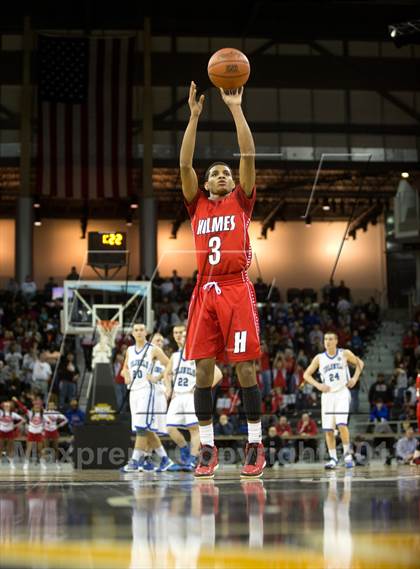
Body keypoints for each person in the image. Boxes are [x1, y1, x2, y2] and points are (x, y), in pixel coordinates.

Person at [180, 80, 264, 479]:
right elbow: (183, 165)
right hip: (205, 292)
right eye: (215, 174)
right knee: (202, 372)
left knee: (245, 371)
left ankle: (254, 443)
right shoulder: (196, 205)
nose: (221, 176)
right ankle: (208, 450)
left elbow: (247, 153)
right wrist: (194, 117)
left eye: (226, 173)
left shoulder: (241, 201)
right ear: (206, 183)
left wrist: (235, 108)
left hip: (235, 289)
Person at [164, 324, 222, 471]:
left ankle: (192, 458)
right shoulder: (175, 356)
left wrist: (201, 388)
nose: (178, 336)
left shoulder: (197, 352)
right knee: (170, 428)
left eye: (182, 333)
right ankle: (185, 453)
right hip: (177, 396)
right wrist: (169, 389)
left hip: (191, 396)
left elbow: (218, 373)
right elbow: (167, 373)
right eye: (175, 333)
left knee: (193, 429)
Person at [303, 331, 364, 469]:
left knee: (341, 424)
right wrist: (318, 385)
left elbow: (360, 363)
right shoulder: (319, 358)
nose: (327, 341)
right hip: (328, 395)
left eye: (330, 339)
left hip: (342, 392)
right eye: (325, 339)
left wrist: (354, 378)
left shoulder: (344, 353)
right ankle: (333, 458)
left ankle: (348, 455)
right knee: (328, 430)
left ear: (336, 341)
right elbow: (306, 374)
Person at [120, 323, 173, 473]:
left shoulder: (153, 349)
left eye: (141, 330)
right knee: (143, 427)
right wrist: (126, 374)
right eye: (136, 330)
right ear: (132, 333)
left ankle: (135, 460)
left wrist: (157, 377)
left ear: (146, 332)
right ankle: (164, 459)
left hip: (146, 391)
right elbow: (125, 368)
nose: (138, 332)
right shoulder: (130, 350)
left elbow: (170, 364)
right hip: (134, 391)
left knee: (141, 427)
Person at [43, 400, 68, 468]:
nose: (51, 406)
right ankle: (44, 463)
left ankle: (57, 462)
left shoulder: (57, 413)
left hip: (54, 430)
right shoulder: (44, 413)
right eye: (49, 405)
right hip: (47, 431)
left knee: (56, 447)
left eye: (52, 405)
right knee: (46, 447)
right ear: (48, 406)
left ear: (54, 406)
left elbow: (66, 420)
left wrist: (59, 425)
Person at [0, 400, 25, 469]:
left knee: (10, 448)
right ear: (3, 406)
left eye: (8, 406)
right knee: (0, 447)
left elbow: (23, 420)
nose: (7, 407)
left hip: (10, 432)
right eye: (5, 406)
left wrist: (15, 425)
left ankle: (11, 463)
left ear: (10, 407)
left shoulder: (13, 414)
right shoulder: (1, 413)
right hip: (1, 432)